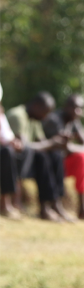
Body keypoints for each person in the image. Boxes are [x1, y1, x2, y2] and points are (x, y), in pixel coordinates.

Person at [6, 91, 71, 221]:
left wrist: (56, 141)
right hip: (12, 162)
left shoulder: (34, 119)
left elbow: (42, 142)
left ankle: (56, 203)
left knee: (55, 155)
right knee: (42, 157)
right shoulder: (18, 116)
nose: (46, 117)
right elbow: (23, 147)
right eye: (45, 112)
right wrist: (52, 142)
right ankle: (44, 208)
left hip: (25, 160)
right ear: (36, 106)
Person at [43, 94, 84, 219]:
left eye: (80, 108)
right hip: (54, 164)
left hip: (66, 160)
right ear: (66, 107)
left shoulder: (74, 121)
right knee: (82, 157)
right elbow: (65, 148)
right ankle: (82, 208)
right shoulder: (54, 120)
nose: (78, 111)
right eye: (74, 107)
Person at [0, 82, 25, 219]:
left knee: (14, 153)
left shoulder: (1, 113)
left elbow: (7, 135)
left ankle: (12, 202)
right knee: (6, 153)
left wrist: (14, 142)